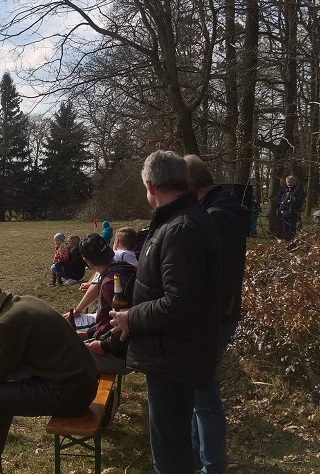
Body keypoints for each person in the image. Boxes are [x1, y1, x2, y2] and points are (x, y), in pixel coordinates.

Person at [109, 150, 222, 473]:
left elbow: (180, 302)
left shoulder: (180, 228)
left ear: (150, 186)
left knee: (170, 452)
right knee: (173, 443)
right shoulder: (179, 220)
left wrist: (132, 318)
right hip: (171, 351)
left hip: (173, 356)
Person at [0, 271, 98, 473]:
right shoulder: (22, 304)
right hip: (80, 384)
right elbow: (7, 360)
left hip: (70, 395)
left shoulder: (6, 322)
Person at [185, 154, 249, 474]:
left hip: (214, 319)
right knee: (198, 394)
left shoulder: (218, 217)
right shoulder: (219, 209)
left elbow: (216, 276)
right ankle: (196, 458)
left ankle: (211, 467)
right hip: (217, 315)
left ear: (191, 186)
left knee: (204, 396)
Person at [78, 233, 137, 374]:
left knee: (60, 357)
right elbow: (111, 321)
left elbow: (126, 324)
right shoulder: (126, 268)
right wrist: (89, 333)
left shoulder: (111, 283)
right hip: (122, 349)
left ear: (86, 260)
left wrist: (104, 346)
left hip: (119, 356)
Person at [66, 227, 139, 328]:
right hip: (114, 320)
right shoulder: (127, 266)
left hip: (106, 329)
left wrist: (91, 335)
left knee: (63, 325)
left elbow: (121, 323)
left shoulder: (109, 282)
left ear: (86, 260)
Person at [275, 175, 305, 240]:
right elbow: (281, 200)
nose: (289, 183)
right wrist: (280, 209)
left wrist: (293, 210)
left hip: (292, 214)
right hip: (283, 214)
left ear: (294, 182)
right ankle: (286, 242)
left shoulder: (297, 191)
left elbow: (299, 202)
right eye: (288, 182)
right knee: (284, 229)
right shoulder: (285, 191)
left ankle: (292, 243)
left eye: (291, 182)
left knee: (291, 230)